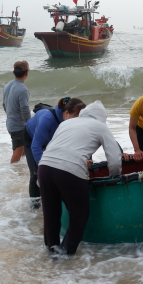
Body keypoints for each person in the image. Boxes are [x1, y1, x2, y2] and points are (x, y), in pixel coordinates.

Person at [37, 100, 122, 256]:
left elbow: (55, 147)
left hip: (44, 167)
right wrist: (115, 178)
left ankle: (51, 254)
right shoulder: (100, 127)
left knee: (51, 216)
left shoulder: (65, 124)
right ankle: (64, 257)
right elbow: (115, 160)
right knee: (79, 218)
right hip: (69, 171)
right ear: (102, 118)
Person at [23, 97, 80, 209]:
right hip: (31, 139)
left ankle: (54, 201)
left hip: (49, 140)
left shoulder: (67, 120)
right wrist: (44, 167)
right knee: (36, 173)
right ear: (66, 113)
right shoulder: (47, 118)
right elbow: (36, 146)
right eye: (75, 117)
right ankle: (34, 209)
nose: (77, 121)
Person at [3, 61, 31, 164]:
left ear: (13, 72)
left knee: (23, 148)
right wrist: (29, 124)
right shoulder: (23, 90)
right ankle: (12, 171)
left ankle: (19, 169)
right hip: (18, 126)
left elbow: (4, 105)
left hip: (10, 122)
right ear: (26, 73)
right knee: (17, 153)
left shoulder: (7, 85)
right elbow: (24, 109)